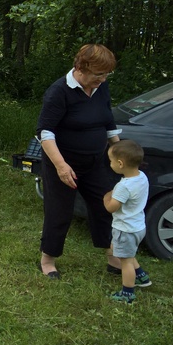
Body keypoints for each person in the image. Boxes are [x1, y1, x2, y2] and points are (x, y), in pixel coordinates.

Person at [36, 44, 122, 280]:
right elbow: (45, 132)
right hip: (63, 163)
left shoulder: (100, 87)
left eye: (107, 75)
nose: (103, 80)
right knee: (59, 212)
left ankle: (113, 258)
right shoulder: (59, 91)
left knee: (105, 206)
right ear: (80, 68)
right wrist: (61, 166)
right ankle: (48, 260)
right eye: (98, 74)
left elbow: (108, 121)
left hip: (94, 162)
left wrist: (118, 150)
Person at [103, 139, 151, 303]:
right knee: (122, 251)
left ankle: (127, 293)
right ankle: (141, 276)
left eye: (111, 161)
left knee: (126, 262)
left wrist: (106, 198)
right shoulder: (142, 177)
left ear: (120, 164)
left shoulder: (124, 186)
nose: (110, 164)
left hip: (125, 229)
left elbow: (111, 207)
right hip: (138, 226)